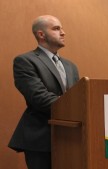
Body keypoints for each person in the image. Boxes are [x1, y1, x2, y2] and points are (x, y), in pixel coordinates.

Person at [8, 15, 80, 169]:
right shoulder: (25, 61)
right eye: (56, 28)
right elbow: (40, 98)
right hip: (40, 138)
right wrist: (75, 107)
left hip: (71, 139)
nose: (63, 32)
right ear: (41, 34)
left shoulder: (71, 66)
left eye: (62, 28)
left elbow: (78, 97)